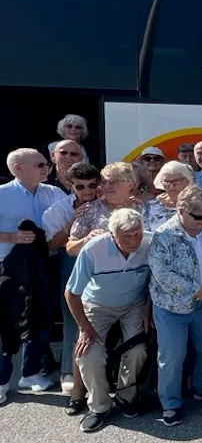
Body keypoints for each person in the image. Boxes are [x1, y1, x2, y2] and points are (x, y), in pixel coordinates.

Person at [148, 186, 202, 427]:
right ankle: (171, 403)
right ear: (181, 210)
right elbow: (162, 273)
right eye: (197, 216)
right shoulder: (163, 235)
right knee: (171, 358)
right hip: (172, 308)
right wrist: (195, 289)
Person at [65, 208, 151, 432]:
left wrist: (147, 306)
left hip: (134, 305)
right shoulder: (94, 249)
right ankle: (99, 406)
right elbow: (71, 293)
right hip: (97, 304)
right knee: (88, 353)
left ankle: (126, 396)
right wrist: (84, 328)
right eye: (127, 236)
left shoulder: (150, 242)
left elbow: (157, 279)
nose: (134, 240)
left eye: (137, 234)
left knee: (138, 350)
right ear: (113, 235)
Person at [0, 149, 66, 401]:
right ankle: (1, 381)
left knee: (41, 319)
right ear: (18, 167)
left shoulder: (54, 193)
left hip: (44, 265)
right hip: (8, 269)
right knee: (5, 324)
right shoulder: (2, 195)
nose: (45, 168)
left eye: (45, 164)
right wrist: (11, 237)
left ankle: (30, 373)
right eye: (39, 164)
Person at [42, 162, 101, 398]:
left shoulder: (104, 204)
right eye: (81, 186)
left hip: (100, 265)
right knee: (72, 315)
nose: (87, 191)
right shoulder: (57, 210)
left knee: (99, 314)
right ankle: (68, 369)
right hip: (70, 262)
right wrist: (72, 223)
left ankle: (97, 373)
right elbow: (51, 245)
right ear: (70, 186)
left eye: (92, 186)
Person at [67, 162, 142, 257]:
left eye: (113, 182)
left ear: (131, 184)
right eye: (103, 182)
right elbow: (70, 249)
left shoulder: (143, 208)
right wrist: (86, 240)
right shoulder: (89, 210)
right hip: (102, 268)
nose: (107, 186)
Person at [142, 161, 194, 232]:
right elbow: (144, 233)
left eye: (176, 180)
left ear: (187, 181)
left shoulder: (196, 205)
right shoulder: (150, 206)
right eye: (167, 181)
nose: (171, 186)